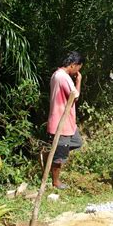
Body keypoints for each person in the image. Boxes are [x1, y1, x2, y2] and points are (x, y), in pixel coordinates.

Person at [46, 51, 84, 189]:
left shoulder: (57, 75)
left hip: (67, 122)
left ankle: (51, 154)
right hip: (60, 122)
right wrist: (79, 81)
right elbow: (75, 96)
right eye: (79, 67)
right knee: (60, 155)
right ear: (74, 65)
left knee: (77, 142)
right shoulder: (63, 77)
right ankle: (55, 182)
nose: (78, 71)